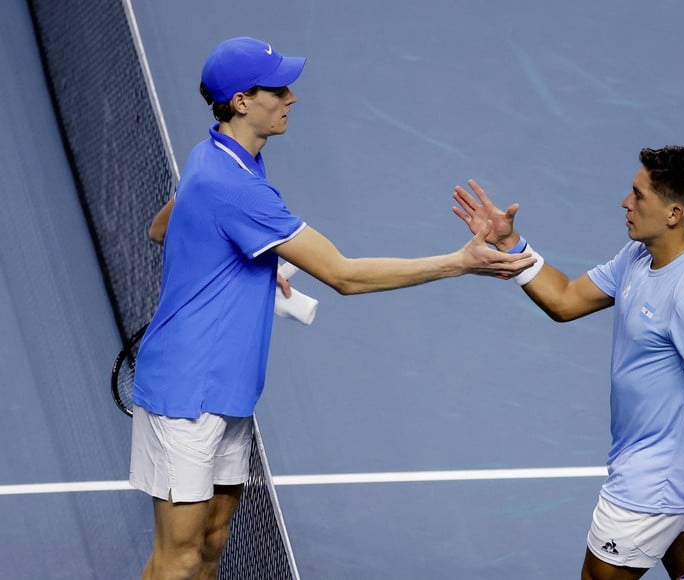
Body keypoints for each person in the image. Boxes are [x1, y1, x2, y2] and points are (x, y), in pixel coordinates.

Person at [130, 36, 534, 580]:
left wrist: (251, 260)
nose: (292, 97)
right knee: (176, 557)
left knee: (212, 539)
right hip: (186, 390)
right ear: (243, 101)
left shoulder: (220, 158)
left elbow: (164, 227)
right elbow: (343, 275)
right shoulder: (234, 185)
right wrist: (459, 262)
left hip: (227, 385)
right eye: (278, 88)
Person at [451, 146, 684, 580]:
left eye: (638, 195)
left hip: (649, 486)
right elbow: (564, 300)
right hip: (682, 476)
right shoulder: (638, 258)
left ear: (673, 214)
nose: (625, 202)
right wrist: (509, 244)